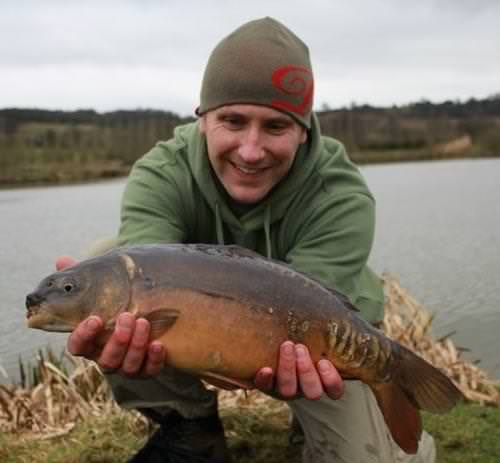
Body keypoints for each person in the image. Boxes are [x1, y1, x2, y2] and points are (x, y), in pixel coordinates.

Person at [58, 17, 436, 463]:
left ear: (304, 130)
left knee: (371, 456)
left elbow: (309, 308)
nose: (251, 150)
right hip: (204, 328)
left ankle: (323, 422)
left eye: (275, 127)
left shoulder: (342, 195)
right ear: (202, 120)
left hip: (312, 342)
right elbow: (143, 276)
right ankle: (189, 425)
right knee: (109, 271)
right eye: (233, 121)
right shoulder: (161, 174)